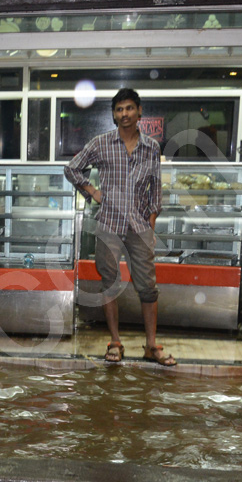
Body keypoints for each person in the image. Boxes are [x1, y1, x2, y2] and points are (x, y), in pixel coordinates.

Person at [64, 87, 175, 366]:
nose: (124, 114)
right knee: (109, 284)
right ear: (114, 115)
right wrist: (93, 191)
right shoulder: (101, 143)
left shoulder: (151, 147)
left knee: (148, 287)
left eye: (129, 108)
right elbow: (72, 168)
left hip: (139, 226)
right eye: (119, 109)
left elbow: (156, 189)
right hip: (109, 224)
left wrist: (151, 221)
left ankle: (151, 346)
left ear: (139, 112)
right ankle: (115, 342)